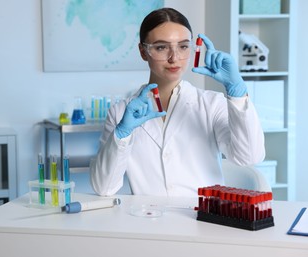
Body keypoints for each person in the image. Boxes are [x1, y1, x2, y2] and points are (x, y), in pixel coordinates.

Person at [90, 7, 265, 197]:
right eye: (161, 47)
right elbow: (103, 187)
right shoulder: (121, 112)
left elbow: (249, 157)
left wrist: (237, 93)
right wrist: (122, 134)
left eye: (182, 46)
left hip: (204, 220)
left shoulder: (211, 104)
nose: (174, 58)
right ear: (143, 51)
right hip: (148, 221)